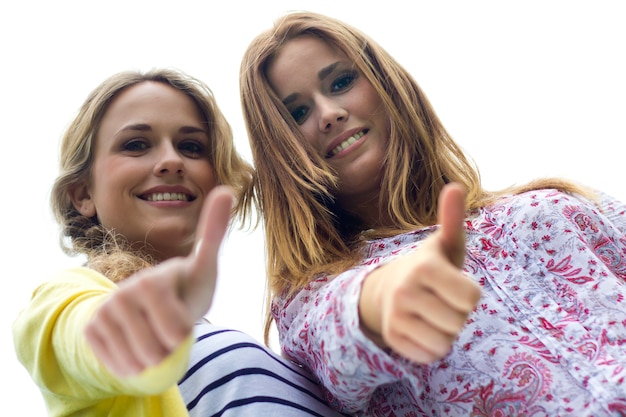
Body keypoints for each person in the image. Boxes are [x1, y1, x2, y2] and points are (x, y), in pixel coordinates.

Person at [238, 11, 626, 417]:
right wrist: (384, 295)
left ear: (384, 82)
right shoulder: (309, 299)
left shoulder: (550, 202)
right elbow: (338, 334)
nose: (328, 113)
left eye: (340, 82)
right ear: (280, 150)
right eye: (297, 113)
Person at [13, 68, 350, 417]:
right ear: (83, 194)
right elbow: (89, 340)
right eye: (136, 145)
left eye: (191, 147)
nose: (172, 161)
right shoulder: (62, 298)